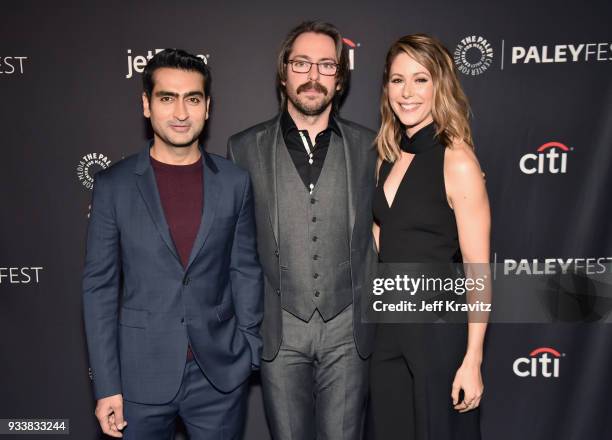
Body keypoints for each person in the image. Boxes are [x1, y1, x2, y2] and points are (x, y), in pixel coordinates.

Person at [82, 49, 263, 439]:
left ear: (208, 106)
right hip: (138, 380)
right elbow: (99, 288)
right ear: (146, 105)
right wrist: (107, 385)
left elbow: (244, 268)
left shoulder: (235, 182)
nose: (181, 112)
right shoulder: (113, 186)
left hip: (219, 375)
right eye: (167, 98)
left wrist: (248, 346)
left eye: (192, 99)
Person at [228, 21, 377, 440]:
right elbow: (235, 248)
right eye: (302, 63)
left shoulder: (371, 147)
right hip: (279, 327)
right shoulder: (243, 148)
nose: (313, 75)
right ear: (283, 73)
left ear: (340, 78)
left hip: (348, 328)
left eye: (326, 65)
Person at [369, 34, 490, 439]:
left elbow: (477, 271)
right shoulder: (386, 155)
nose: (407, 93)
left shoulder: (457, 160)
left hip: (436, 331)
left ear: (440, 85)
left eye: (420, 80)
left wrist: (472, 360)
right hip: (387, 329)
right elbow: (383, 243)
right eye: (397, 80)